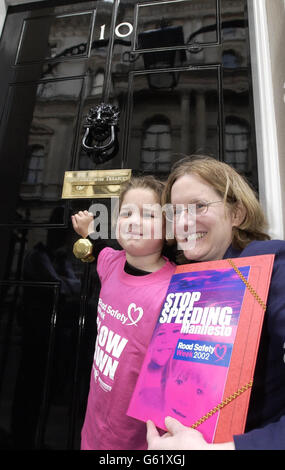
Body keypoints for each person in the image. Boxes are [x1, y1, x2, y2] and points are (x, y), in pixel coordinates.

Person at [146, 155, 285, 451]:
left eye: (198, 206)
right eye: (175, 212)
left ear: (237, 213)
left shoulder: (273, 267)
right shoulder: (183, 282)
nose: (183, 222)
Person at [71, 175, 176, 450]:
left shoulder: (176, 290)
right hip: (92, 430)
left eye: (149, 215)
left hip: (136, 440)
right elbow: (97, 247)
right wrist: (86, 230)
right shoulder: (110, 263)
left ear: (168, 229)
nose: (134, 222)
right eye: (126, 213)